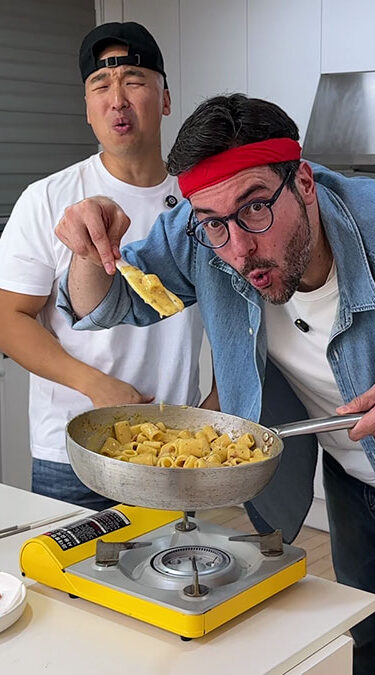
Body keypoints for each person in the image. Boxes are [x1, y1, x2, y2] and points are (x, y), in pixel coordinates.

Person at [55, 93, 375, 674]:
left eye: (257, 208)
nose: (240, 249)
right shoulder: (205, 233)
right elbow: (106, 303)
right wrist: (88, 249)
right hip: (347, 473)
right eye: (215, 223)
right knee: (359, 637)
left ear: (305, 183)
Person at [0, 22, 217, 511]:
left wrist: (215, 408)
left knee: (171, 560)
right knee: (70, 564)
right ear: (87, 107)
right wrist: (96, 386)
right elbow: (8, 318)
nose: (117, 100)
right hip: (72, 449)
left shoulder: (201, 201)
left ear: (165, 99)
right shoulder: (47, 198)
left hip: (171, 446)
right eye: (101, 85)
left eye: (134, 81)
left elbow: (239, 314)